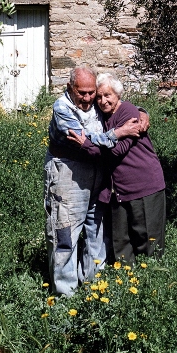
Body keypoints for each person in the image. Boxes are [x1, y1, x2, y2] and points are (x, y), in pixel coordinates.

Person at [44, 66, 143, 295]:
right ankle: (65, 296)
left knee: (96, 232)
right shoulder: (62, 108)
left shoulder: (93, 104)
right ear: (70, 88)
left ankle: (94, 289)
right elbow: (86, 139)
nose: (88, 99)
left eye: (92, 93)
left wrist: (141, 112)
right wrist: (117, 134)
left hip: (97, 175)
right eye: (82, 93)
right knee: (65, 234)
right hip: (68, 174)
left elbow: (117, 107)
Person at [95, 73, 167, 262]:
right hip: (118, 189)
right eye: (99, 96)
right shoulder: (101, 116)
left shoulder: (127, 110)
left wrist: (89, 148)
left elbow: (119, 149)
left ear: (117, 94)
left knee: (148, 239)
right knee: (121, 241)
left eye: (107, 95)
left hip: (144, 184)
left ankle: (152, 280)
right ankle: (126, 282)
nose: (103, 101)